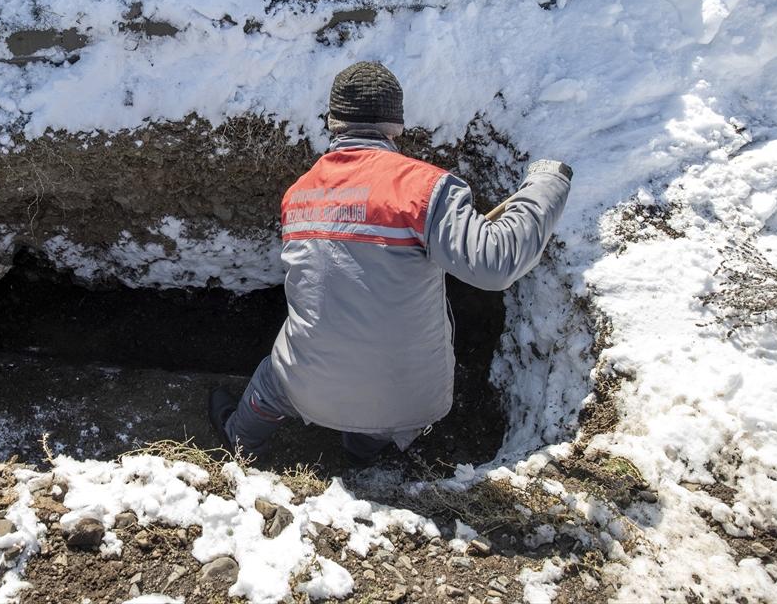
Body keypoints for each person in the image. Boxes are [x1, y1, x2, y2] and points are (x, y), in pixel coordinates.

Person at [209, 61, 572, 466]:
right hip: (409, 401)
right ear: (395, 126)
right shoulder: (425, 190)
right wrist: (547, 184)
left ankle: (240, 442)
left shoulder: (299, 194)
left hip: (307, 390)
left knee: (271, 378)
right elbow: (496, 262)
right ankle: (361, 455)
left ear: (334, 122)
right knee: (383, 411)